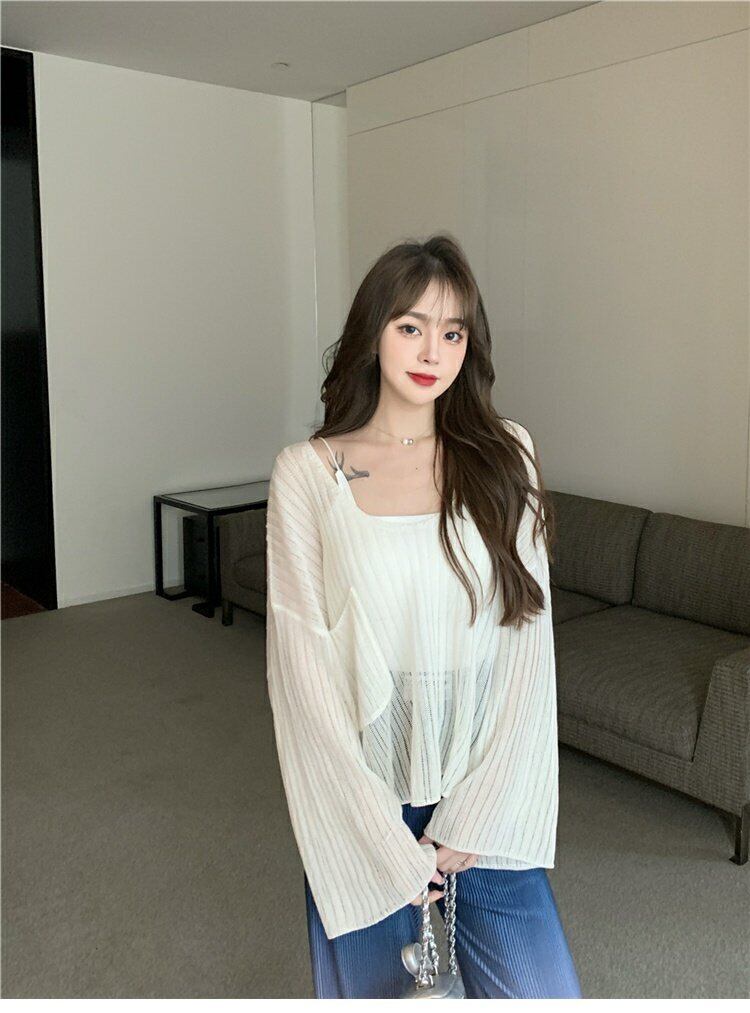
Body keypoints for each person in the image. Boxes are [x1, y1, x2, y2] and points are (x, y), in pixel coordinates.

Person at [265, 234, 583, 999]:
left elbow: (526, 644)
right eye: (411, 326)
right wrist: (381, 838)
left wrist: (477, 809)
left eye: (453, 331)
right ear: (373, 331)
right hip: (364, 795)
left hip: (486, 782)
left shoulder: (506, 453)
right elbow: (303, 677)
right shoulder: (310, 473)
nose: (432, 351)